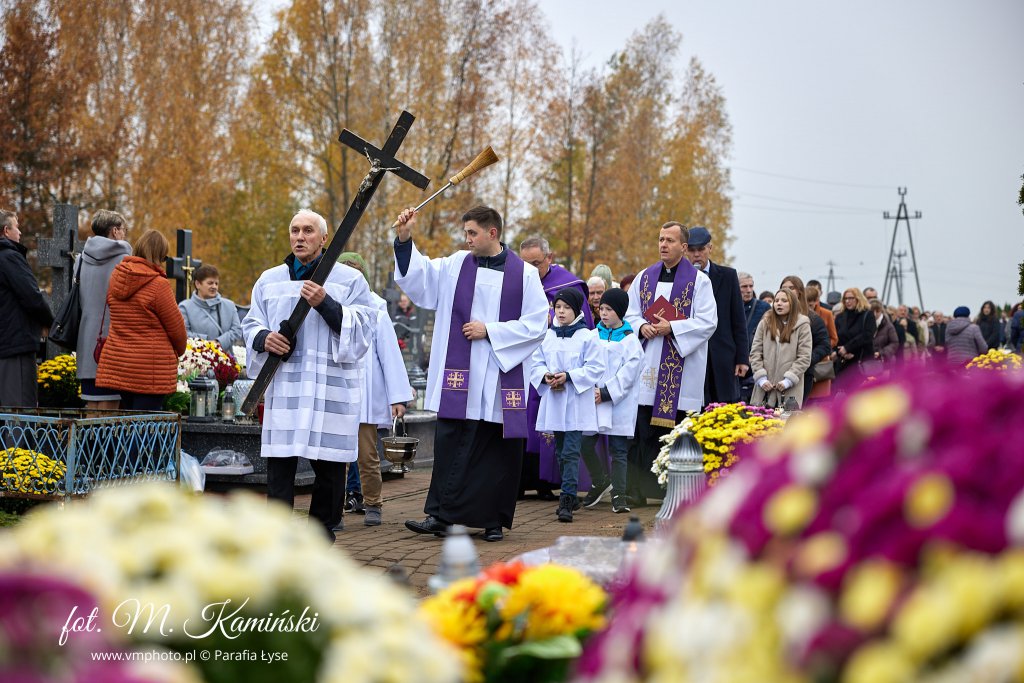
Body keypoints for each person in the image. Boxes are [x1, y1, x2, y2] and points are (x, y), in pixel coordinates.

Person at [394, 205, 547, 542]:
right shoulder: (455, 265)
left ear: (492, 233)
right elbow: (420, 279)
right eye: (466, 233)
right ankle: (441, 516)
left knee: (495, 451)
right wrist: (405, 239)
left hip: (497, 376)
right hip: (458, 378)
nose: (467, 239)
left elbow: (538, 324)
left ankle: (492, 521)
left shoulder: (524, 275)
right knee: (451, 444)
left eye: (472, 233)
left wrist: (490, 331)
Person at [242, 210, 374, 543]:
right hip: (286, 387)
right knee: (281, 465)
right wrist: (264, 339)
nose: (300, 237)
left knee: (329, 467)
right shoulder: (270, 280)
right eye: (295, 230)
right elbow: (251, 324)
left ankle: (322, 533)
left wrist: (326, 303)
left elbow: (363, 329)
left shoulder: (349, 280)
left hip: (329, 389)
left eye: (308, 231)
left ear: (324, 238)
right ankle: (276, 535)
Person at [624, 221, 717, 504]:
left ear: (684, 247)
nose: (663, 245)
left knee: (674, 430)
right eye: (660, 239)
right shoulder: (644, 277)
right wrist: (641, 326)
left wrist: (672, 328)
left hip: (681, 365)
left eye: (670, 241)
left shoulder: (700, 282)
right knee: (642, 429)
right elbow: (629, 313)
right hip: (649, 361)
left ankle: (672, 490)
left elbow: (707, 322)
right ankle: (638, 490)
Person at [336, 251, 413, 527]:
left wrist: (397, 398)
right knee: (335, 457)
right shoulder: (331, 303)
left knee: (367, 454)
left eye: (355, 272)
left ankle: (373, 503)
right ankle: (333, 509)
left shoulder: (376, 309)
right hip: (337, 391)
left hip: (365, 393)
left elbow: (389, 355)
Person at [518, 235, 592, 501]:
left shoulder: (568, 286)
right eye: (524, 264)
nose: (530, 271)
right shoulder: (518, 282)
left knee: (553, 431)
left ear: (549, 258)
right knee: (522, 421)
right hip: (522, 363)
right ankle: (519, 482)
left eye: (536, 264)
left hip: (557, 368)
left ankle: (549, 483)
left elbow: (586, 331)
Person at [530, 288, 605, 523]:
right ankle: (570, 496)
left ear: (576, 310)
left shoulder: (588, 336)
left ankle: (567, 498)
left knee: (571, 451)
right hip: (555, 399)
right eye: (557, 307)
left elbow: (595, 367)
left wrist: (569, 376)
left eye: (566, 308)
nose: (560, 312)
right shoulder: (548, 336)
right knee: (561, 452)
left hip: (575, 402)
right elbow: (536, 362)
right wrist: (545, 376)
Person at [95, 230, 187, 410]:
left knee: (129, 424)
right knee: (146, 430)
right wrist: (181, 349)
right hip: (149, 369)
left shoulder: (116, 277)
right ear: (159, 254)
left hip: (119, 363)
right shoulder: (158, 284)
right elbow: (176, 328)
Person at [579, 288, 643, 513]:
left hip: (617, 403)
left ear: (621, 312)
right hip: (593, 400)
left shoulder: (630, 340)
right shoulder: (592, 335)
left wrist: (605, 393)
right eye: (601, 309)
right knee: (584, 444)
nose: (603, 313)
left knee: (618, 450)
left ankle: (619, 496)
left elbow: (629, 373)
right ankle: (599, 480)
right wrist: (590, 390)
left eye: (609, 309)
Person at [684, 227, 748, 405]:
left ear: (710, 248)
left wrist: (742, 358)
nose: (697, 254)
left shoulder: (727, 276)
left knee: (724, 407)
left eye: (701, 249)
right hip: (692, 353)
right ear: (685, 251)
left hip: (723, 355)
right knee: (695, 406)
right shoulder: (680, 280)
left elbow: (738, 320)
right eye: (692, 250)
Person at [75, 210, 132, 410]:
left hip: (87, 339)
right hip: (114, 341)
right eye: (123, 230)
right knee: (111, 406)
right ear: (115, 231)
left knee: (92, 403)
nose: (124, 234)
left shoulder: (80, 259)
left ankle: (87, 443)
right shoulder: (125, 260)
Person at [0, 209, 53, 407]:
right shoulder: (9, 257)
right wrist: (52, 323)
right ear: (6, 230)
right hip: (15, 344)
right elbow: (32, 297)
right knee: (18, 412)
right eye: (17, 227)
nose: (20, 232)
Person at [749, 288, 813, 408]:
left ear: (792, 303)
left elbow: (804, 357)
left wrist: (788, 380)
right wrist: (761, 378)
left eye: (784, 300)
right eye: (776, 300)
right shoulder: (765, 322)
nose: (779, 303)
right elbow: (755, 352)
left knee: (787, 424)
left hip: (790, 390)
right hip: (764, 389)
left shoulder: (803, 325)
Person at [780, 276, 831, 403]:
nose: (787, 291)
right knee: (773, 414)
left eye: (791, 288)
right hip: (775, 374)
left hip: (801, 374)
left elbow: (825, 345)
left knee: (793, 413)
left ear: (799, 292)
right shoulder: (771, 317)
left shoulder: (812, 318)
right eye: (784, 288)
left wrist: (807, 359)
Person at [178, 264, 243, 351]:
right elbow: (183, 334)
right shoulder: (185, 307)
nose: (214, 287)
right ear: (198, 284)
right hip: (197, 361)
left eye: (216, 283)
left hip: (226, 360)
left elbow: (237, 330)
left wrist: (219, 342)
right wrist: (207, 342)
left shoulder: (229, 306)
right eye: (210, 283)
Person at [737, 271, 770, 403]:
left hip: (756, 366)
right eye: (744, 287)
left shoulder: (764, 308)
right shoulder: (728, 305)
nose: (749, 290)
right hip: (734, 366)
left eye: (751, 286)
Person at [833, 287, 877, 379]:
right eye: (845, 298)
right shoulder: (840, 317)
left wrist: (847, 348)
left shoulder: (867, 315)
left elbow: (867, 335)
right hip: (843, 362)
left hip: (862, 361)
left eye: (851, 298)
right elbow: (835, 337)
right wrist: (841, 352)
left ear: (858, 299)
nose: (848, 301)